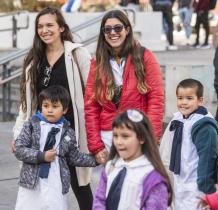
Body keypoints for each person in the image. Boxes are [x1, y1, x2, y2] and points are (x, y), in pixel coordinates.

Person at [11, 7, 94, 210]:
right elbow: (26, 104)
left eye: (50, 25)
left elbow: (92, 96)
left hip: (70, 132)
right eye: (40, 26)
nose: (44, 30)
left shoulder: (78, 54)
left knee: (80, 185)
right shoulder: (33, 60)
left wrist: (94, 134)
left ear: (62, 28)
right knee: (40, 186)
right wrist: (18, 133)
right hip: (40, 133)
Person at [84, 10, 164, 158]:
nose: (112, 32)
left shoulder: (145, 56)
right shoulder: (98, 62)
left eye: (118, 28)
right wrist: (96, 146)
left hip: (137, 133)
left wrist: (150, 138)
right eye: (107, 29)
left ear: (127, 30)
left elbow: (156, 100)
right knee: (107, 180)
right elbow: (91, 106)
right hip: (107, 137)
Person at [14, 86, 104, 210]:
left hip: (55, 183)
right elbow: (19, 150)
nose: (49, 110)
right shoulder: (31, 125)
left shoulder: (68, 132)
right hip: (31, 184)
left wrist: (95, 160)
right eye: (46, 106)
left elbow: (74, 157)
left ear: (65, 109)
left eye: (55, 106)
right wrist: (42, 156)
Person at [159, 79, 218, 209]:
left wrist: (206, 189)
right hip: (179, 183)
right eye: (180, 98)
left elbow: (208, 158)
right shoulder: (177, 119)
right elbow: (166, 153)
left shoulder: (204, 125)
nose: (184, 102)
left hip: (197, 186)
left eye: (189, 98)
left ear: (200, 100)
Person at [92, 109, 173, 209]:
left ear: (141, 138)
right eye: (115, 136)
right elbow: (100, 199)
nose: (118, 142)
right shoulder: (111, 166)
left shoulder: (152, 178)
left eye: (125, 136)